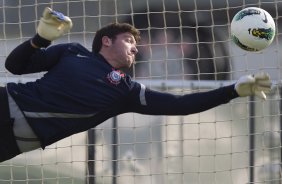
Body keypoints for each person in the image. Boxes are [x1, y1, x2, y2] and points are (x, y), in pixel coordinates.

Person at [1, 7, 272, 162]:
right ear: (106, 41)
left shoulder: (127, 91)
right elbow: (14, 66)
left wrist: (233, 90)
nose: (135, 48)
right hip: (6, 102)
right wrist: (41, 38)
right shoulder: (72, 51)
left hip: (17, 140)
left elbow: (181, 105)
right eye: (130, 40)